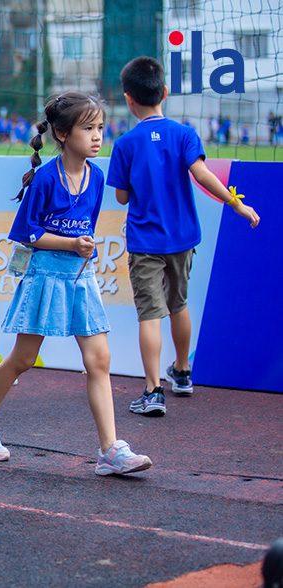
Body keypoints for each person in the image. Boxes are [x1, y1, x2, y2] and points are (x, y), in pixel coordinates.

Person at [0, 91, 153, 476]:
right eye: (89, 128)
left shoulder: (96, 177)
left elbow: (87, 226)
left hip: (81, 277)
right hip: (45, 276)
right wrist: (70, 243)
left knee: (99, 360)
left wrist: (81, 247)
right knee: (22, 360)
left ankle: (110, 450)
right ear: (62, 134)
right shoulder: (45, 178)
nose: (98, 136)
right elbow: (25, 233)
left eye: (100, 128)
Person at [106, 57, 260, 417]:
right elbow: (202, 175)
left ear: (129, 99)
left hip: (146, 242)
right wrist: (236, 204)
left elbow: (122, 197)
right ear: (165, 92)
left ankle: (152, 390)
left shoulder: (126, 143)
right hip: (182, 237)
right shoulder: (184, 134)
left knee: (149, 314)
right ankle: (183, 371)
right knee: (179, 305)